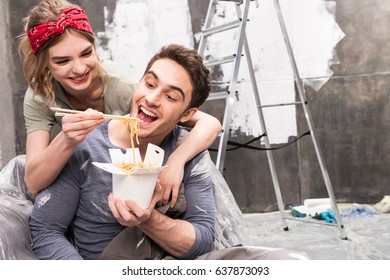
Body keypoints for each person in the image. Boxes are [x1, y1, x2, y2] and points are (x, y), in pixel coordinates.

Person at [18, 0, 221, 207]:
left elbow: (210, 123)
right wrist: (67, 140)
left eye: (87, 53)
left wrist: (176, 161)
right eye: (62, 61)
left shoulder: (122, 87)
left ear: (95, 47)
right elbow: (32, 183)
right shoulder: (40, 96)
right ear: (44, 64)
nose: (79, 69)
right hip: (83, 182)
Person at [30, 43, 216, 260]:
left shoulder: (189, 150)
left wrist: (148, 219)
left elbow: (203, 240)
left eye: (170, 97)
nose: (152, 99)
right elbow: (46, 231)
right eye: (149, 84)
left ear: (187, 114)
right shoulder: (85, 145)